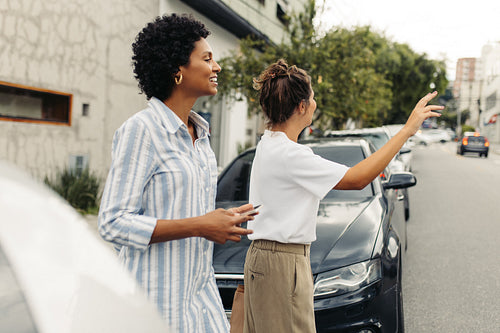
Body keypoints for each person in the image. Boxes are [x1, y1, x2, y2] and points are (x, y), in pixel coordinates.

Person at [243, 59, 443, 333]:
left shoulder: (269, 144)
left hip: (266, 257)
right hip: (282, 262)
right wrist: (407, 130)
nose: (314, 103)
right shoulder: (291, 155)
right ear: (301, 106)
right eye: (312, 98)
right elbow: (358, 179)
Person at [98, 14, 254, 332]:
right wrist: (200, 225)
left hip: (199, 300)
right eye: (207, 58)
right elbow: (112, 223)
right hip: (154, 304)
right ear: (178, 71)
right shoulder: (141, 131)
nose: (217, 67)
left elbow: (187, 214)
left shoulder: (201, 136)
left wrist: (220, 220)